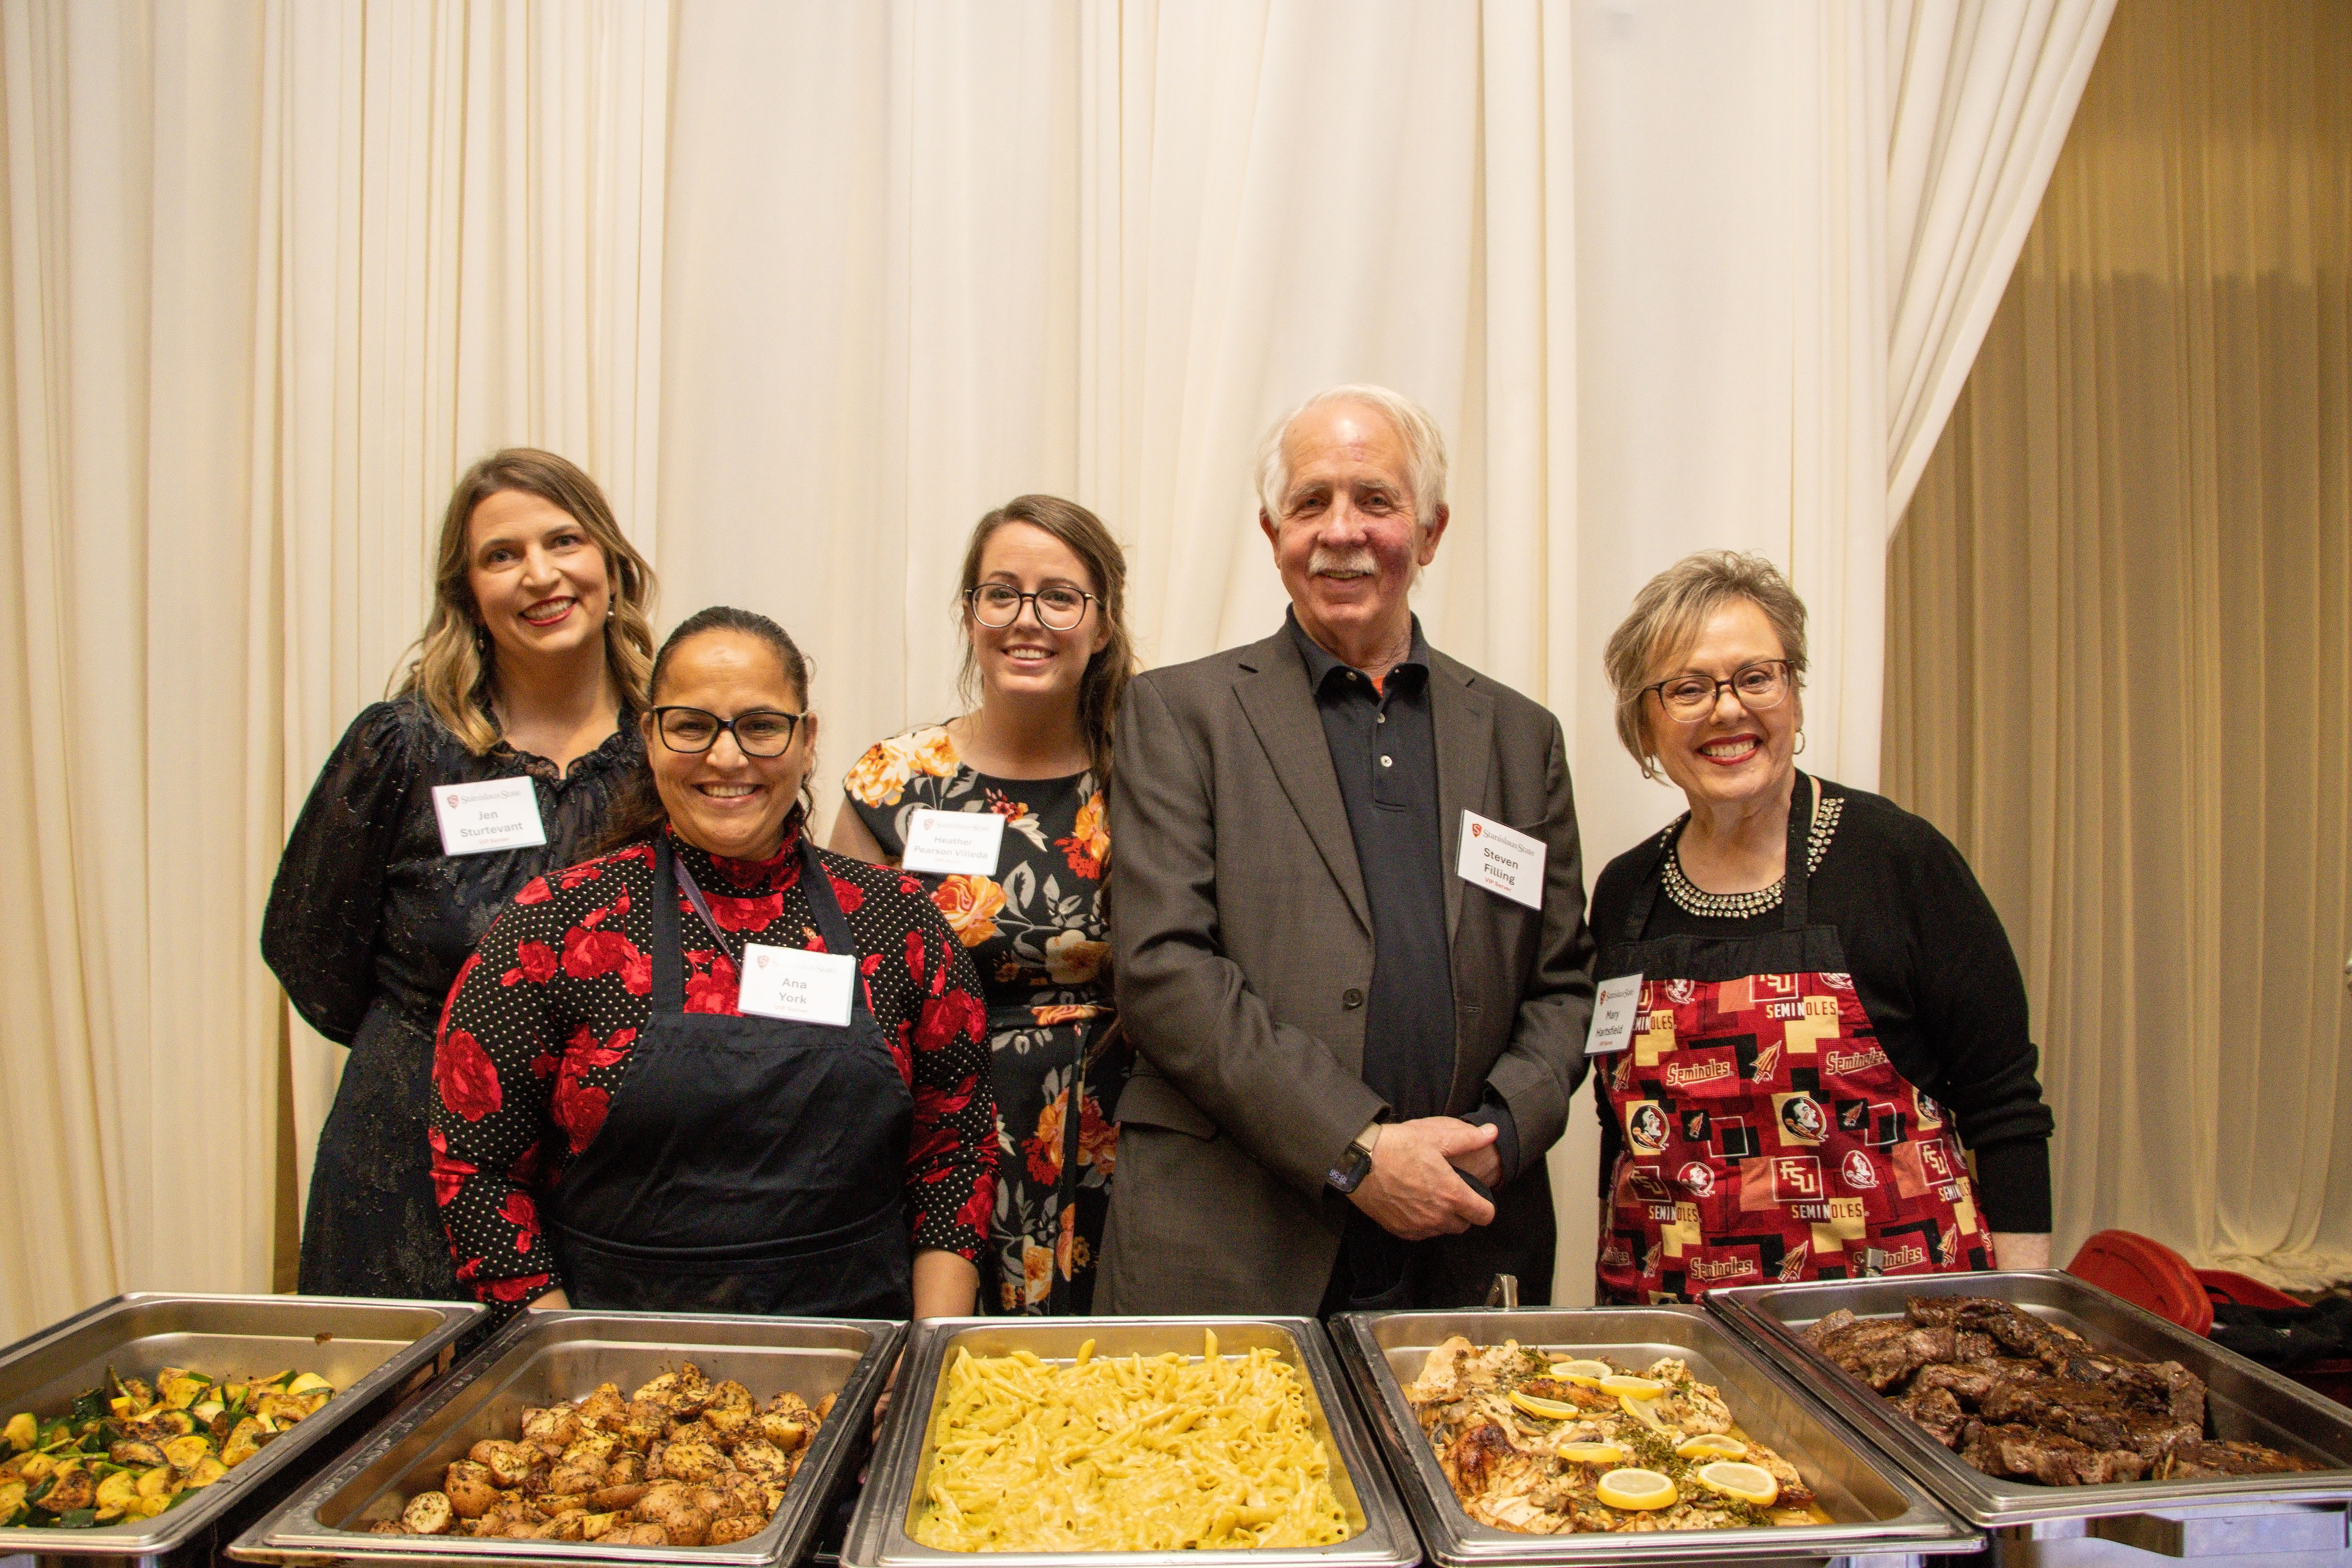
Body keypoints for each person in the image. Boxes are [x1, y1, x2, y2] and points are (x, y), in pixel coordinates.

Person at [1099, 384, 1597, 1316]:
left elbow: (1562, 983)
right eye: (1311, 502)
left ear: (1433, 529)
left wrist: (1497, 1133)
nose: (1341, 531)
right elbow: (1166, 970)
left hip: (1464, 1229)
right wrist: (1357, 1149)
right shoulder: (1181, 715)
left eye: (1376, 500)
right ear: (1271, 531)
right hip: (1238, 1238)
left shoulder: (1520, 736)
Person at [430, 606, 996, 1318]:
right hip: (615, 1375)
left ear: (807, 738)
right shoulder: (555, 926)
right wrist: (566, 1361)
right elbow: (474, 1167)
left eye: (761, 726)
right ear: (650, 736)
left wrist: (927, 1351)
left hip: (864, 1356)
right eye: (693, 726)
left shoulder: (897, 922)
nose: (727, 758)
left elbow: (955, 1151)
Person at [1589, 551, 2054, 1300]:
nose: (1728, 709)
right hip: (1680, 1346)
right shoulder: (1624, 892)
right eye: (1688, 689)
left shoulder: (1899, 860)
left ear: (1795, 698)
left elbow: (2006, 1106)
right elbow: (1624, 1137)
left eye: (1756, 677)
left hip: (1901, 1333)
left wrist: (2024, 1308)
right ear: (1643, 727)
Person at [262, 449, 656, 1300]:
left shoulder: (671, 755)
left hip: (614, 1174)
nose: (540, 575)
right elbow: (310, 949)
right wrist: (434, 1048)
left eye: (564, 541)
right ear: (467, 593)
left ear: (613, 567)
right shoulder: (402, 749)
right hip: (406, 1157)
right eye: (502, 556)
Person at [830, 497, 1135, 1315]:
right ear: (970, 616)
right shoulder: (895, 780)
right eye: (1000, 594)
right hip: (943, 1141)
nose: (1026, 620)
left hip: (1123, 1141)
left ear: (1102, 624)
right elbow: (845, 993)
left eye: (1059, 597)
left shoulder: (1155, 771)